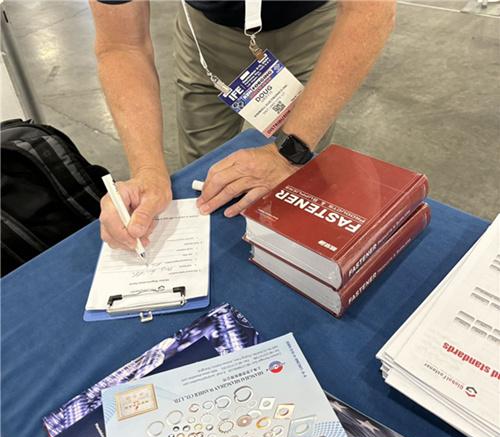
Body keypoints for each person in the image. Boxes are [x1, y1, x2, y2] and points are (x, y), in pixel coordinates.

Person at [91, 0, 396, 251]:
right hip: (206, 35)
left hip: (305, 25)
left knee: (296, 184)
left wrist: (290, 152)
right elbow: (121, 45)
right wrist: (147, 170)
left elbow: (370, 9)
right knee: (203, 179)